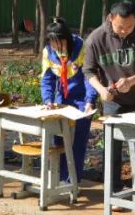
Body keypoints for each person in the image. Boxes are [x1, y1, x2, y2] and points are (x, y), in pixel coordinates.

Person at [84, 0, 135, 191]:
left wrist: (131, 81)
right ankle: (113, 190)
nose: (124, 31)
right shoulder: (96, 38)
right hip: (113, 100)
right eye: (120, 27)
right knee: (112, 145)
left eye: (129, 26)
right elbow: (89, 71)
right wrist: (101, 90)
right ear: (110, 18)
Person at [41, 17, 95, 183]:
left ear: (68, 39)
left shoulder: (82, 48)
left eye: (60, 43)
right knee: (59, 139)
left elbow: (89, 77)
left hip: (82, 100)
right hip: (61, 99)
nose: (57, 47)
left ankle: (73, 181)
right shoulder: (48, 52)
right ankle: (61, 177)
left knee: (78, 140)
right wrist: (48, 100)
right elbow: (47, 79)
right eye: (53, 43)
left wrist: (90, 100)